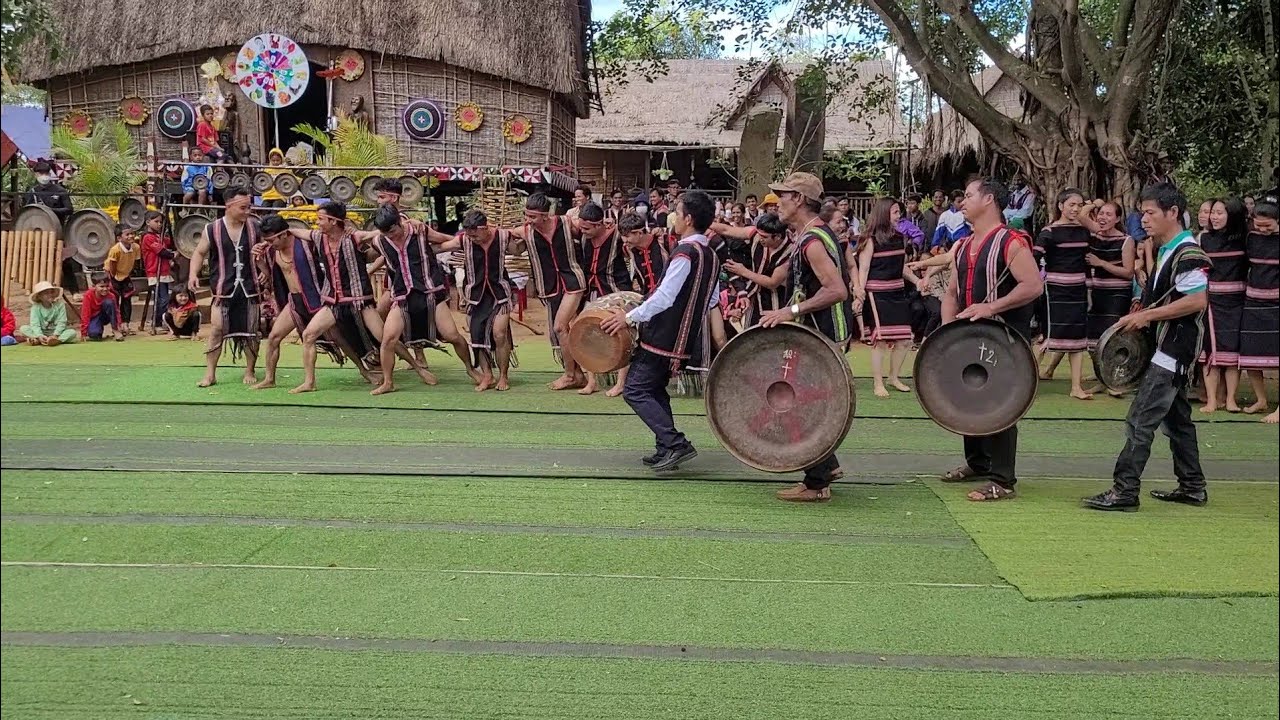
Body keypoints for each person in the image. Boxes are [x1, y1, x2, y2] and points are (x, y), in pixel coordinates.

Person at [1082, 183, 1211, 511]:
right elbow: (1169, 296)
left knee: (1140, 418)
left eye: (1151, 212)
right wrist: (1143, 310)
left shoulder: (1188, 252)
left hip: (1174, 350)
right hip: (1166, 347)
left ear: (1173, 213)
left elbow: (1197, 301)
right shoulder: (1165, 248)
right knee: (1178, 419)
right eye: (1142, 212)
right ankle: (1193, 486)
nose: (1144, 219)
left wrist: (1149, 315)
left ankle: (1125, 491)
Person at [600, 190, 720, 473]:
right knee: (654, 389)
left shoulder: (685, 252)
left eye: (677, 212)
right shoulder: (711, 255)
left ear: (688, 219)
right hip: (684, 337)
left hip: (662, 336)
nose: (673, 217)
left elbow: (665, 297)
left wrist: (629, 317)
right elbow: (712, 299)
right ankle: (665, 447)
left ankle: (675, 443)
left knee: (635, 390)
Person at [938, 178, 1043, 502]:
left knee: (1000, 404)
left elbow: (1033, 285)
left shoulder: (1010, 241)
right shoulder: (963, 245)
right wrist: (947, 333)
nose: (962, 201)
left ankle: (1003, 479)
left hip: (1004, 338)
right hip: (968, 337)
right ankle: (978, 462)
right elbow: (952, 293)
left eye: (969, 195)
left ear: (989, 200)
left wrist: (991, 307)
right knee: (970, 397)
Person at [756, 172, 852, 502]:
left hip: (824, 334)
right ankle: (826, 467)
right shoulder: (810, 235)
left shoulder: (812, 242)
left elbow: (837, 290)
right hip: (816, 334)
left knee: (805, 407)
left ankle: (817, 484)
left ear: (799, 199)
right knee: (806, 403)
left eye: (782, 195)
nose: (776, 202)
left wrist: (790, 312)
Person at [288, 202, 400, 394]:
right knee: (308, 335)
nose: (317, 223)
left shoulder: (354, 237)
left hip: (359, 299)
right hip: (333, 301)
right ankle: (309, 382)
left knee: (385, 337)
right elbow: (300, 232)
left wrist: (400, 223)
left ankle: (415, 366)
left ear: (333, 221)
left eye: (321, 219)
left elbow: (378, 232)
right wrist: (285, 228)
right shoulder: (318, 237)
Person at [368, 205, 473, 394]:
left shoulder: (419, 230)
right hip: (402, 295)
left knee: (452, 336)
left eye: (392, 231)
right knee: (388, 339)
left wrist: (466, 242)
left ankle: (470, 369)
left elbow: (446, 240)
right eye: (386, 233)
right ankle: (388, 382)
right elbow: (362, 242)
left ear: (400, 223)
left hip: (430, 292)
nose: (390, 236)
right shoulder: (379, 241)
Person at [251, 214, 364, 389]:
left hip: (317, 298)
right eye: (266, 239)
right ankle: (269, 379)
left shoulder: (306, 243)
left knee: (338, 337)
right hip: (294, 301)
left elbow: (332, 246)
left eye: (272, 239)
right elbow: (270, 275)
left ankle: (364, 370)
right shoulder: (271, 250)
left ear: (284, 234)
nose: (269, 243)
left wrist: (349, 230)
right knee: (274, 337)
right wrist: (260, 264)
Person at [505, 192, 588, 390]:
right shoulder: (526, 231)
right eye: (527, 216)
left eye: (533, 216)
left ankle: (570, 375)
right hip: (550, 286)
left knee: (560, 327)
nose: (529, 220)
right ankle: (577, 374)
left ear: (545, 214)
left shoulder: (567, 223)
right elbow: (501, 234)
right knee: (562, 330)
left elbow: (590, 229)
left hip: (573, 282)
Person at [432, 209, 518, 392]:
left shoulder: (503, 237)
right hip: (475, 296)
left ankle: (503, 375)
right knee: (477, 336)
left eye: (476, 235)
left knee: (500, 334)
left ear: (485, 228)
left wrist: (524, 233)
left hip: (500, 294)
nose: (473, 239)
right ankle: (487, 375)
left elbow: (519, 249)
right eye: (470, 236)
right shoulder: (463, 240)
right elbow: (440, 247)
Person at [187, 187, 261, 386]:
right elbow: (199, 253)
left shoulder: (256, 227)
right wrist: (192, 274)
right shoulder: (212, 229)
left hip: (250, 287)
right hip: (223, 289)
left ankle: (250, 369)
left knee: (251, 331)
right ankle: (210, 373)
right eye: (243, 207)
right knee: (217, 330)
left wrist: (265, 270)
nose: (248, 211)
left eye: (249, 207)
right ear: (229, 206)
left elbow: (270, 251)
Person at [1035, 189, 1093, 400]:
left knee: (1077, 340)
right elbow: (1034, 257)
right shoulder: (1048, 232)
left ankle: (1076, 387)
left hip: (1078, 289)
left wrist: (1088, 291)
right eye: (1071, 205)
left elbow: (1086, 263)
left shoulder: (1083, 232)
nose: (1076, 209)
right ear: (1060, 206)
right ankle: (1028, 379)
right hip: (1055, 290)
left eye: (1079, 205)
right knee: (1049, 337)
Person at [857, 198, 918, 397]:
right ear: (884, 214)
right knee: (880, 341)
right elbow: (863, 269)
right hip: (877, 293)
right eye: (894, 212)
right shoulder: (870, 239)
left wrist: (917, 281)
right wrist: (859, 294)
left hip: (897, 291)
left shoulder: (900, 237)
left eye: (899, 212)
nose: (898, 216)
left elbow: (901, 267)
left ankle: (893, 377)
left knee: (905, 339)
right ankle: (877, 383)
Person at [1195, 197, 1249, 412]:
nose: (1213, 217)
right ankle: (1211, 400)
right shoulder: (1202, 239)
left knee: (1232, 353)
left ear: (1232, 215)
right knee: (1211, 352)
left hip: (1238, 301)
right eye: (1212, 213)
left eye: (1219, 213)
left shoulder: (1245, 239)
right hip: (1211, 301)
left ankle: (1231, 400)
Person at [575, 201, 633, 396]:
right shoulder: (584, 240)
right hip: (593, 292)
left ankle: (621, 382)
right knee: (586, 332)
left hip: (617, 291)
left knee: (622, 334)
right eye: (581, 227)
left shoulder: (617, 236)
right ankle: (592, 382)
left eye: (588, 228)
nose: (583, 231)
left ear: (600, 225)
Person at [1081, 201, 1136, 394]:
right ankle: (1101, 375)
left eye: (1109, 214)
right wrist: (1092, 204)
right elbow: (1080, 216)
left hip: (1117, 295)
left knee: (1112, 337)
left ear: (1118, 219)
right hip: (1097, 293)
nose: (1103, 218)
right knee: (1093, 337)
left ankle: (1112, 380)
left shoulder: (1126, 241)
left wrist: (1101, 263)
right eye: (1101, 214)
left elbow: (1129, 273)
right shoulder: (1095, 235)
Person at [1239, 201, 1279, 417]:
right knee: (1250, 354)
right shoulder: (1251, 238)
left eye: (1268, 226)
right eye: (1259, 225)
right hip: (1253, 301)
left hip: (1276, 304)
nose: (1262, 230)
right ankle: (1261, 400)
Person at [722, 212, 792, 328]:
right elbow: (726, 230)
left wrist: (743, 271)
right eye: (759, 235)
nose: (760, 239)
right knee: (751, 332)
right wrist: (705, 222)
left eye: (764, 237)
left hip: (779, 300)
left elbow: (772, 283)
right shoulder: (756, 235)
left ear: (778, 236)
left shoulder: (789, 252)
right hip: (756, 295)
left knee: (777, 334)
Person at [140, 210, 177, 335]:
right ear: (148, 222)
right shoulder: (148, 238)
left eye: (161, 222)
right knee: (162, 299)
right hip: (155, 272)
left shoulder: (159, 237)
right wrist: (173, 255)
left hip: (163, 272)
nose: (159, 224)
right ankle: (156, 322)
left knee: (164, 298)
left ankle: (160, 321)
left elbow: (170, 242)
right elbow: (162, 252)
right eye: (156, 221)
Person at [619, 213, 668, 297]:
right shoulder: (628, 249)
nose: (625, 241)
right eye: (623, 236)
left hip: (668, 296)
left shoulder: (664, 241)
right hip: (647, 299)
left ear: (640, 233)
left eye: (627, 236)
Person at [105, 224, 140, 331]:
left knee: (127, 299)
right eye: (127, 234)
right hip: (113, 274)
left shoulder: (136, 247)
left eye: (132, 233)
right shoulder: (115, 250)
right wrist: (113, 279)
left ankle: (126, 323)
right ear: (119, 238)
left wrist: (128, 273)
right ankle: (116, 325)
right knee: (115, 300)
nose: (131, 236)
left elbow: (135, 262)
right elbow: (112, 266)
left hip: (125, 274)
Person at [80, 272, 125, 341]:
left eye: (107, 286)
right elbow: (85, 314)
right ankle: (98, 330)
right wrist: (83, 332)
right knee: (94, 335)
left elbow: (116, 311)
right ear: (94, 286)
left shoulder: (111, 296)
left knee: (109, 302)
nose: (105, 289)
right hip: (95, 317)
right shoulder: (88, 295)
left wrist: (119, 324)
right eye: (102, 286)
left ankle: (115, 330)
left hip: (106, 316)